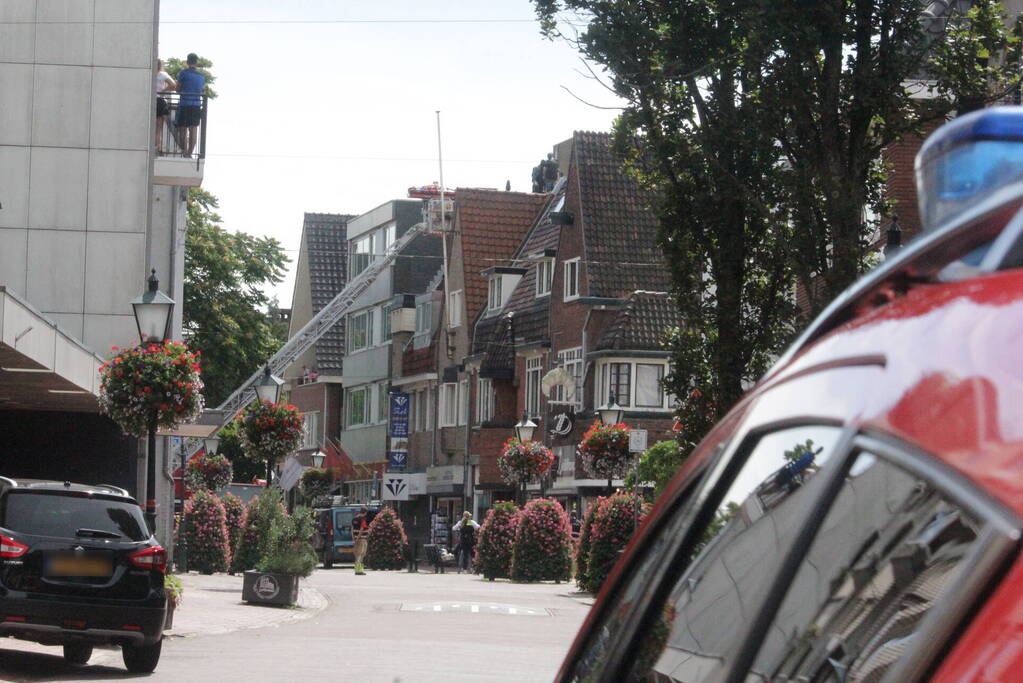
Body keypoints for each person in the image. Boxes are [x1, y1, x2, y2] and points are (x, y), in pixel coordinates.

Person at [175, 53, 205, 158]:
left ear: (187, 62)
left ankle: (184, 152)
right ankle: (189, 153)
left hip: (184, 104)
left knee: (183, 129)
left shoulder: (183, 73)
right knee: (193, 129)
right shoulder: (202, 76)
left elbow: (177, 89)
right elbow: (201, 90)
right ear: (196, 62)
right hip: (196, 105)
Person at [154, 59, 176, 153]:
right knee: (158, 128)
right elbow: (173, 85)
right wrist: (163, 91)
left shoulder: (149, 73)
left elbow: (173, 85)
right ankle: (157, 148)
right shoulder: (162, 74)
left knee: (150, 126)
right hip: (160, 100)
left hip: (150, 100)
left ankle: (154, 147)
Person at [352, 506, 370, 575]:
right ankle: (359, 570)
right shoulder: (363, 520)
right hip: (362, 539)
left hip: (355, 539)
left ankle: (357, 570)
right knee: (361, 555)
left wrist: (354, 539)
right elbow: (362, 529)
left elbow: (352, 529)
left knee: (357, 555)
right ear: (365, 512)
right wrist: (358, 538)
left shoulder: (354, 519)